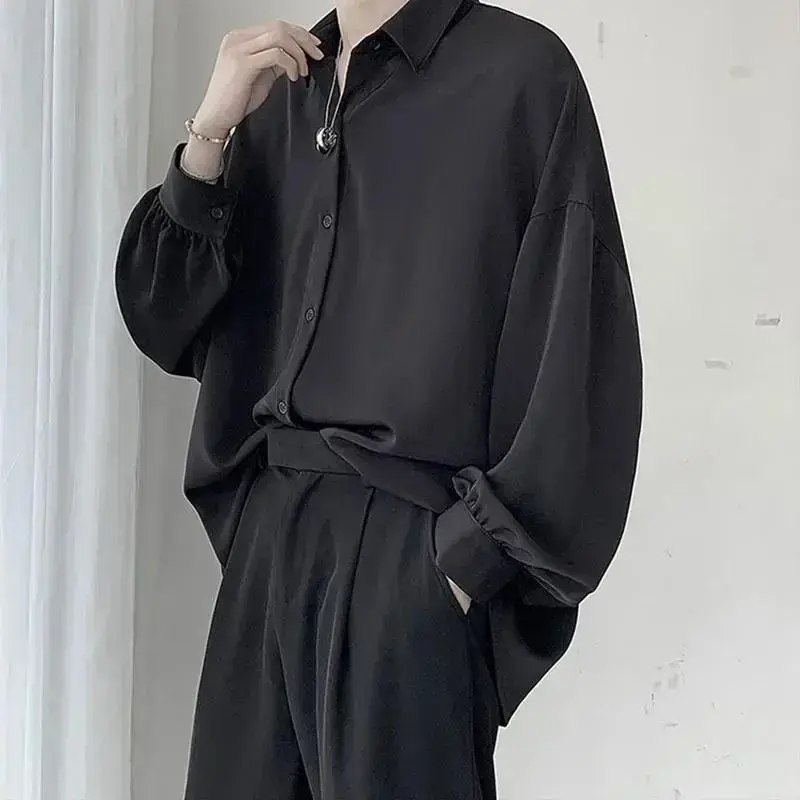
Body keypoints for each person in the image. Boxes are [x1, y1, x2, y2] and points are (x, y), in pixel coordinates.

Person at [115, 0, 643, 797]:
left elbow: (581, 351)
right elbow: (164, 319)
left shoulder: (521, 76)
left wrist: (463, 565)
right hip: (267, 544)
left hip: (411, 551)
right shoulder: (276, 89)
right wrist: (211, 133)